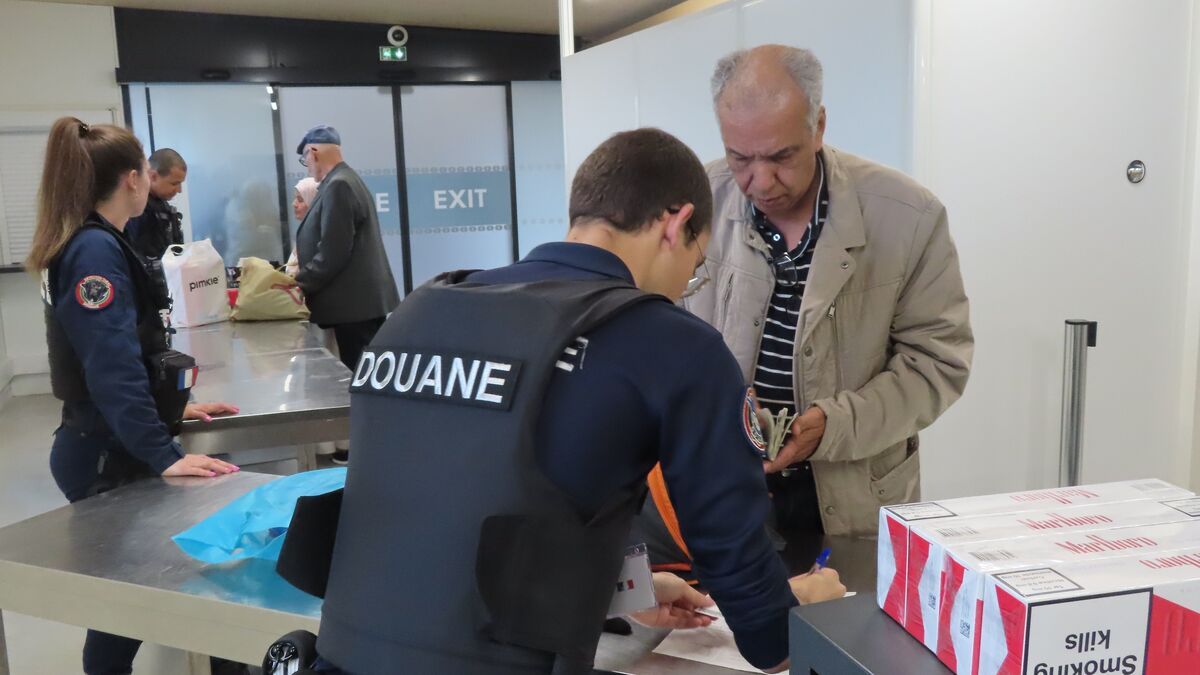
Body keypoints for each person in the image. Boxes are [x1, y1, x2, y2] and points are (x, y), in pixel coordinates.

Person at [303, 128, 844, 675]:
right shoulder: (672, 344)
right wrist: (805, 619)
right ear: (676, 223)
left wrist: (620, 589)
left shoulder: (420, 312)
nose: (686, 286)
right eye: (696, 265)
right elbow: (746, 584)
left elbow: (454, 522)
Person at [668, 45, 973, 541]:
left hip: (854, 496)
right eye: (739, 157)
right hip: (721, 489)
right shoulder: (699, 199)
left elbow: (937, 365)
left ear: (819, 126)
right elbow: (662, 338)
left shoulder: (909, 217)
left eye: (781, 156)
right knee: (723, 618)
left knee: (846, 616)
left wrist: (830, 427)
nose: (760, 181)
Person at [25, 118, 240, 675]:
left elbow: (127, 357)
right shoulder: (94, 251)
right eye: (148, 169)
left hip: (110, 442)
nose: (152, 179)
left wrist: (175, 409)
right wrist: (166, 454)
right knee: (131, 604)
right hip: (103, 455)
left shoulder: (100, 241)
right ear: (131, 179)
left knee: (134, 601)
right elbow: (110, 367)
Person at [294, 125, 399, 464]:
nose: (306, 167)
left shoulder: (339, 185)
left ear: (313, 152)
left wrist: (300, 281)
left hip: (354, 306)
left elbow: (334, 252)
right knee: (367, 377)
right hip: (358, 303)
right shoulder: (345, 179)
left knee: (364, 381)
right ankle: (376, 447)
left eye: (304, 159)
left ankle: (374, 451)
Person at [124, 147, 186, 259]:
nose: (179, 190)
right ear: (153, 176)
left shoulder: (161, 205)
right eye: (174, 184)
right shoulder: (136, 208)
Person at [285, 177, 320, 277]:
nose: (294, 204)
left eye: (300, 200)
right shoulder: (305, 232)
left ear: (313, 201)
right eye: (295, 198)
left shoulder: (317, 237)